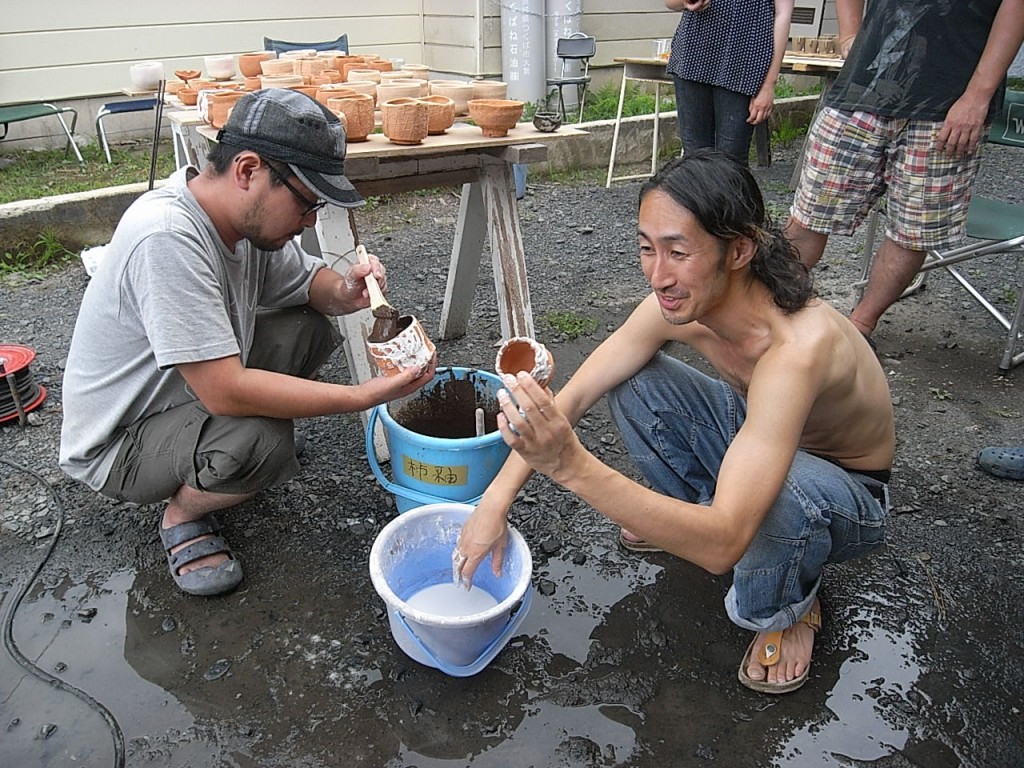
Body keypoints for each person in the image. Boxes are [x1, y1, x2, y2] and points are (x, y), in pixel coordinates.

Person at [456, 150, 894, 694]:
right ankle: (694, 514)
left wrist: (570, 464)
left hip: (844, 490)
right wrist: (491, 506)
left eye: (678, 252)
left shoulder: (796, 349)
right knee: (633, 377)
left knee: (777, 497)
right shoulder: (679, 304)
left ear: (739, 250)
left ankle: (787, 608)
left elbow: (722, 547)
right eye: (647, 248)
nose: (658, 275)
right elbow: (577, 394)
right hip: (763, 438)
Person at [58, 88, 436, 597]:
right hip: (122, 442)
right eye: (306, 203)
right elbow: (225, 392)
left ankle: (220, 456)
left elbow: (308, 286)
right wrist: (362, 397)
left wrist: (346, 290)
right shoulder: (167, 237)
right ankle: (183, 514)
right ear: (247, 170)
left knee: (307, 328)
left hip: (183, 394)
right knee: (259, 440)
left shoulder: (243, 224)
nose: (309, 221)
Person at [786, 0, 1024, 343]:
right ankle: (767, 309)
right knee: (810, 213)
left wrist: (977, 97)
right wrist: (849, 35)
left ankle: (860, 329)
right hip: (862, 89)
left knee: (914, 229)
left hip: (949, 104)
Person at [664, 0, 795, 166]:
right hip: (692, 59)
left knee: (731, 162)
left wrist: (769, 84)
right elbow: (670, 3)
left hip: (744, 67)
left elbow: (783, 14)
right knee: (694, 161)